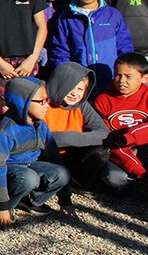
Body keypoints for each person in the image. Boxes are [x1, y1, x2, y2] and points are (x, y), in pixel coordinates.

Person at [0, 77, 70, 227]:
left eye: (47, 100)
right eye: (41, 101)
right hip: (9, 170)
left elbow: (54, 157)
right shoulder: (4, 132)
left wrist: (65, 199)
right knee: (29, 179)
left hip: (30, 165)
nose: (47, 106)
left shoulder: (41, 125)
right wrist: (1, 206)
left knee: (63, 173)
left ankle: (29, 201)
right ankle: (8, 204)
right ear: (23, 102)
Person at [49, 0, 133, 90]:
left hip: (111, 80)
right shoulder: (66, 17)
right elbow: (60, 52)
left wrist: (123, 75)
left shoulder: (112, 15)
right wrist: (69, 78)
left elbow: (125, 47)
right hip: (80, 83)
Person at [44, 62, 109, 208]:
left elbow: (104, 133)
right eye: (70, 88)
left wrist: (66, 138)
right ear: (58, 84)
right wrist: (66, 139)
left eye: (80, 89)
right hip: (43, 156)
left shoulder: (82, 105)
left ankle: (77, 184)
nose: (75, 93)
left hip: (70, 154)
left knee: (100, 151)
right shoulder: (41, 101)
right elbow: (39, 139)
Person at [93, 53, 148, 192]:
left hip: (146, 145)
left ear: (145, 78)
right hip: (118, 150)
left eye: (128, 76)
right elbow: (106, 135)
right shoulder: (103, 100)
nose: (121, 81)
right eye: (118, 75)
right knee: (116, 182)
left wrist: (132, 136)